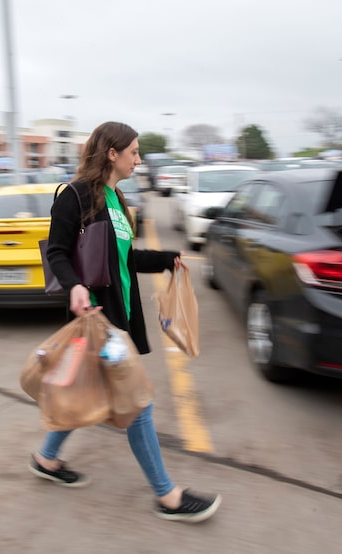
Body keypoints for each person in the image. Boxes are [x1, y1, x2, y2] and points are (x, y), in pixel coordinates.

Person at [31, 121, 221, 523]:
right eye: (134, 152)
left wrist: (165, 258)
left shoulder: (117, 199)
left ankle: (45, 457)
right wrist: (75, 287)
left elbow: (124, 260)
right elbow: (59, 253)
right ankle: (167, 495)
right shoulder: (75, 195)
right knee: (138, 402)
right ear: (111, 153)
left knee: (89, 391)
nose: (139, 160)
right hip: (98, 318)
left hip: (122, 316)